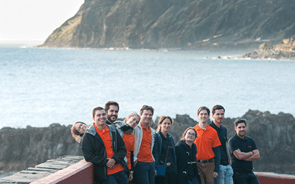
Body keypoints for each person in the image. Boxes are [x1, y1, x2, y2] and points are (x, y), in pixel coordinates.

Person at [82, 106, 129, 184]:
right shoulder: (89, 135)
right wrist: (105, 161)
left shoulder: (113, 130)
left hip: (120, 170)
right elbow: (88, 156)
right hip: (105, 174)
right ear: (93, 118)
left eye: (103, 114)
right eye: (98, 115)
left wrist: (114, 160)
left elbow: (122, 149)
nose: (102, 117)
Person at [193, 106, 221, 184]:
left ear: (209, 116)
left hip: (210, 165)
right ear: (198, 116)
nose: (203, 116)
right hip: (197, 164)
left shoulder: (213, 131)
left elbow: (217, 152)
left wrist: (216, 170)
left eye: (205, 114)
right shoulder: (193, 131)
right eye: (201, 114)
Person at [228, 119, 260, 184]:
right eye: (239, 127)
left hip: (250, 172)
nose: (242, 129)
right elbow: (239, 156)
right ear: (235, 128)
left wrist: (243, 156)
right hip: (238, 174)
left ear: (246, 127)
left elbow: (257, 155)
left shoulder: (250, 140)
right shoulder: (232, 141)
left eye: (243, 127)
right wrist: (251, 153)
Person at [209, 105, 233, 184]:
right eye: (218, 114)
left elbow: (225, 146)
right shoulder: (209, 129)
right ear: (213, 115)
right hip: (217, 167)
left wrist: (229, 161)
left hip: (227, 165)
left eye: (222, 114)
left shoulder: (224, 129)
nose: (220, 116)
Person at [115, 112, 141, 182]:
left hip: (126, 167)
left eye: (136, 122)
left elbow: (131, 154)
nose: (134, 122)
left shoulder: (132, 136)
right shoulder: (116, 129)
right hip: (116, 165)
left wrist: (131, 171)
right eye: (133, 119)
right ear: (127, 118)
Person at [133, 105, 156, 184]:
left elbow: (150, 148)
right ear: (140, 115)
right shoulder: (135, 128)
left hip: (151, 163)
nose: (148, 116)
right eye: (146, 114)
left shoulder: (152, 131)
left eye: (150, 115)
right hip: (140, 163)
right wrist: (134, 159)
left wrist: (153, 161)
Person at [153, 116, 177, 184]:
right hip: (160, 168)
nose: (167, 125)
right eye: (165, 123)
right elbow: (155, 154)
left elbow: (173, 154)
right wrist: (155, 168)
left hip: (171, 169)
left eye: (169, 123)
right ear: (160, 124)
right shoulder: (156, 137)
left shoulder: (170, 137)